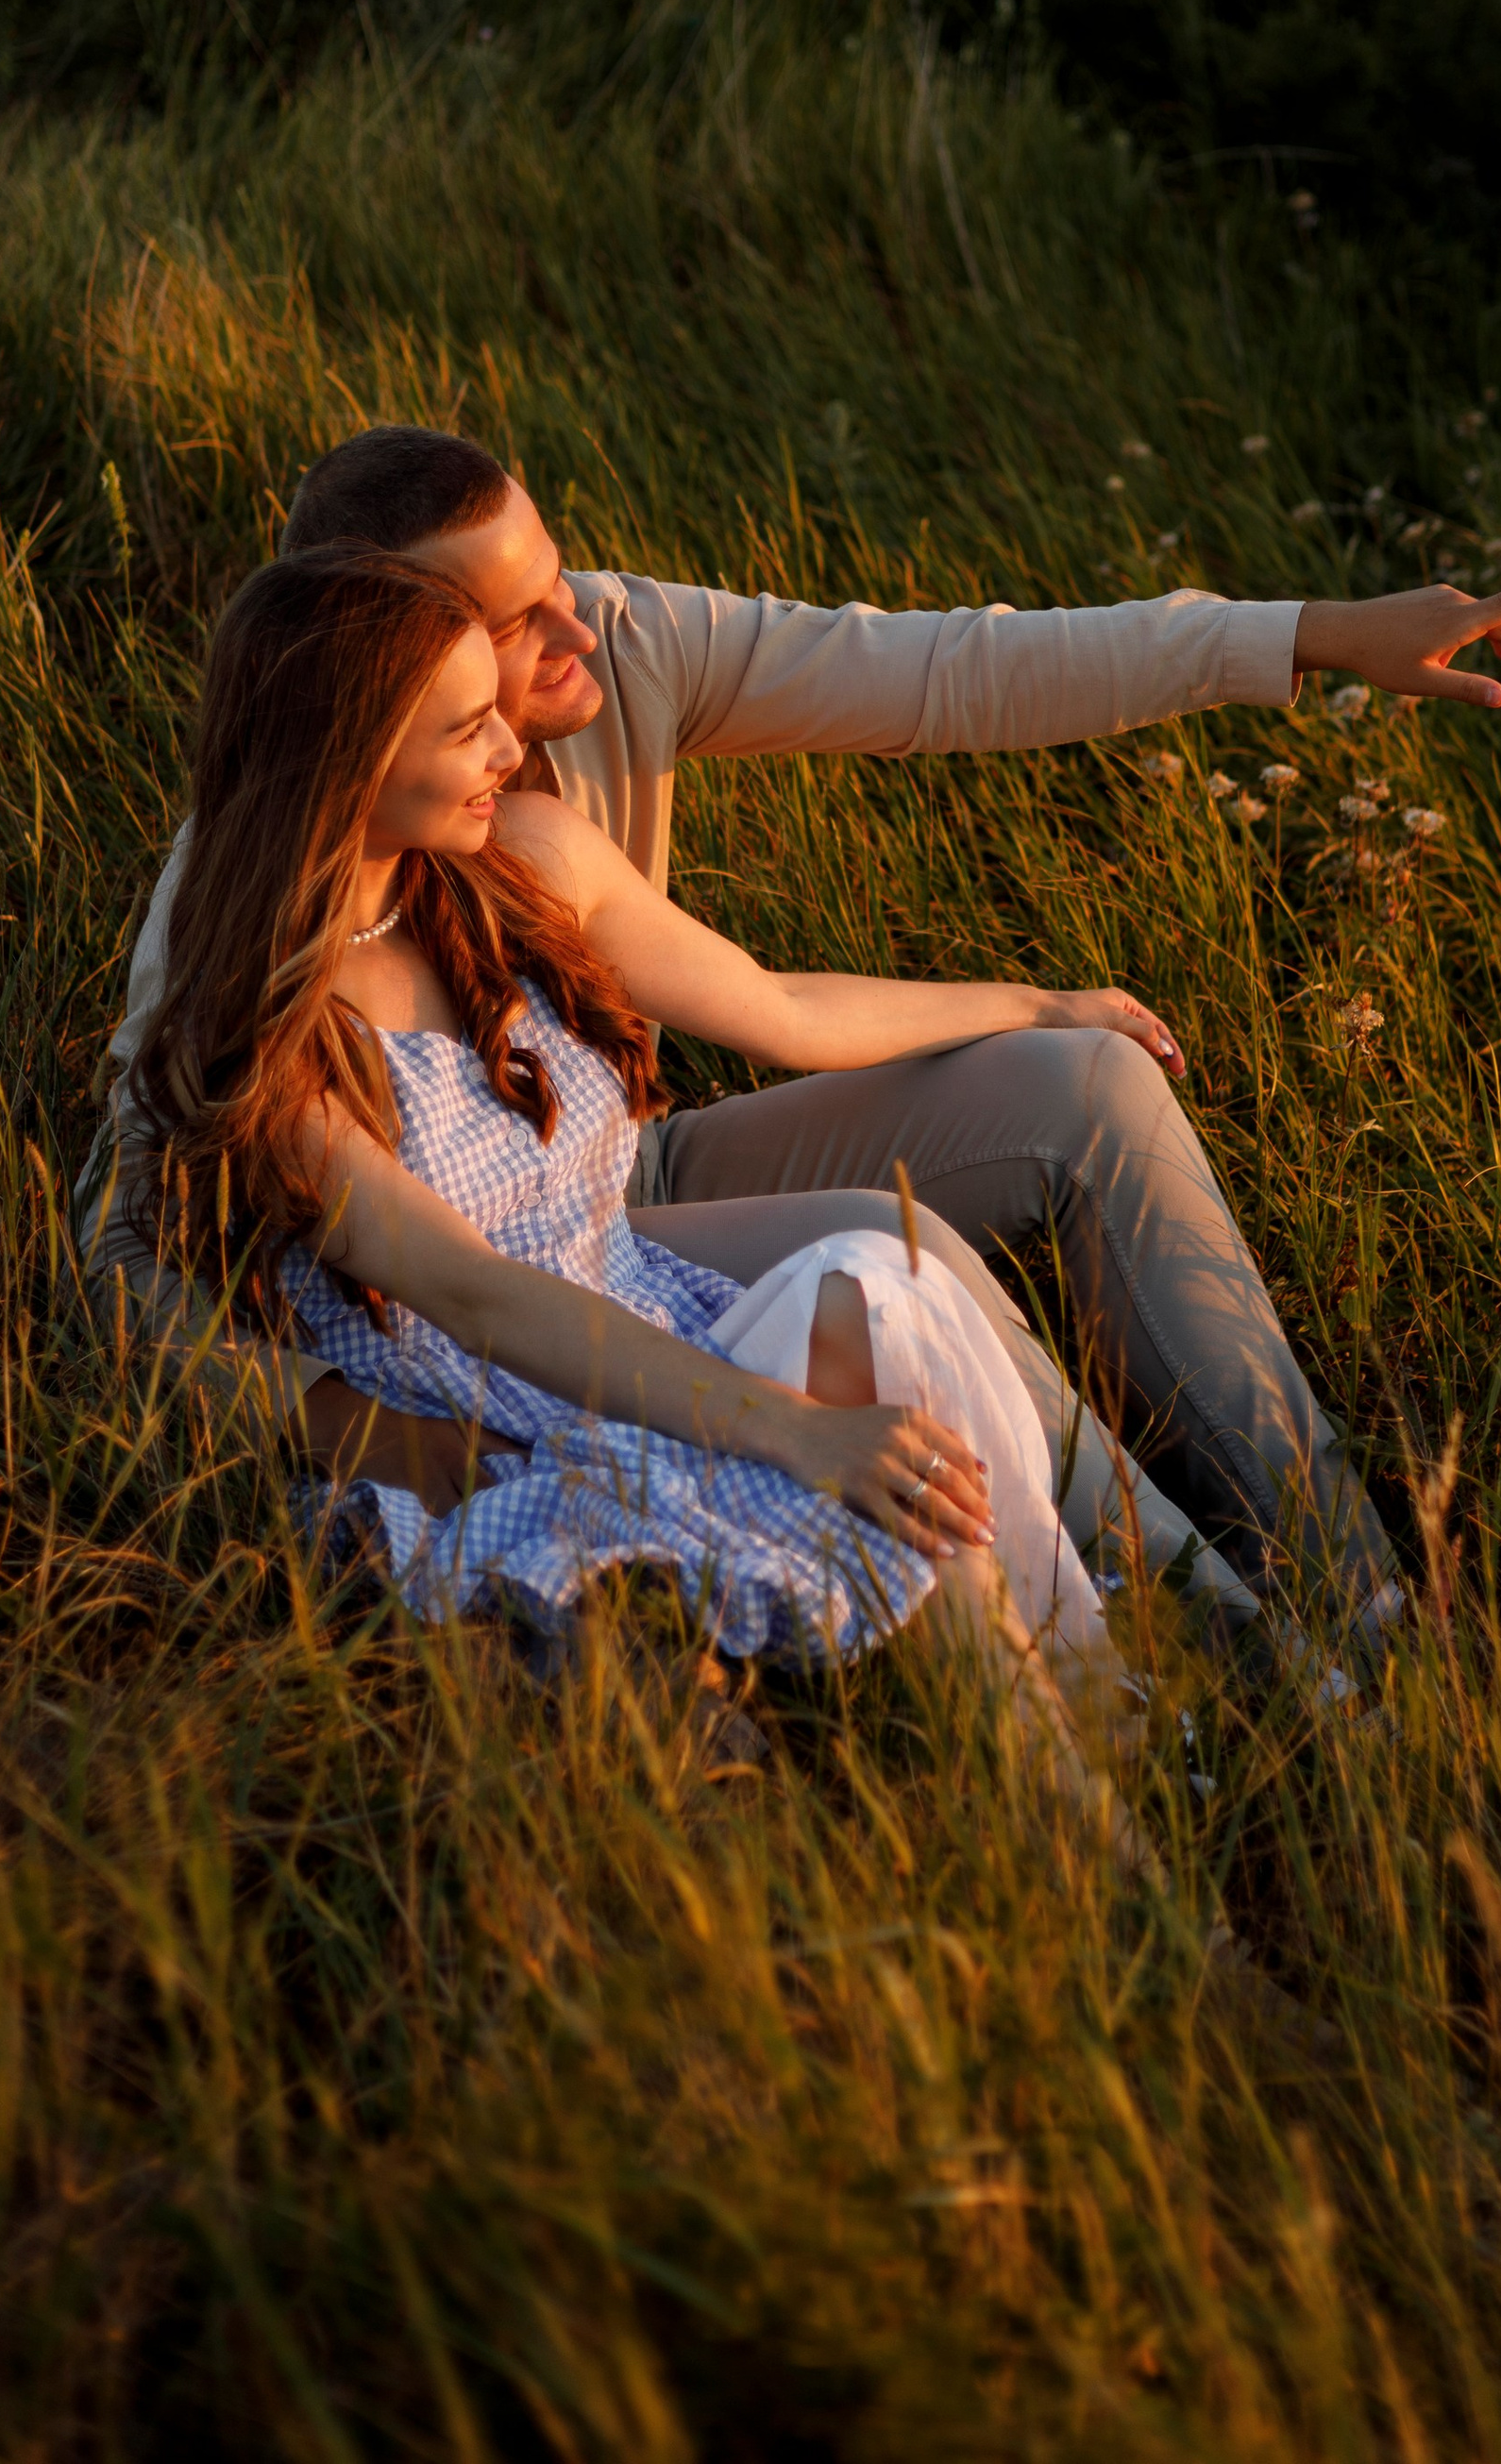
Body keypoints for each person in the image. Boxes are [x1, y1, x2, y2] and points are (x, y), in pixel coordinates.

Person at [89, 424, 1501, 1639]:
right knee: (895, 1248)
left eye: (558, 576)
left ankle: (1363, 1596)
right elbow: (126, 1247)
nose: (577, 625)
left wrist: (1309, 636)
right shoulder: (240, 898)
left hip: (625, 1169)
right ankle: (1193, 1619)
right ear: (374, 667)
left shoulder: (615, 653)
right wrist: (356, 1424)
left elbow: (949, 671)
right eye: (506, 619)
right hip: (482, 1281)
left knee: (1087, 1082)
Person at [133, 543, 1165, 1789]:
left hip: (650, 1342)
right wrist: (799, 1434)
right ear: (348, 756)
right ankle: (1096, 1787)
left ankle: (1108, 1722)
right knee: (874, 1361)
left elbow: (779, 1004)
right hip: (511, 1437)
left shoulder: (498, 873)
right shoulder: (277, 1045)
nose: (509, 750)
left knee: (877, 1282)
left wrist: (1035, 1006)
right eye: (466, 731)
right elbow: (477, 1295)